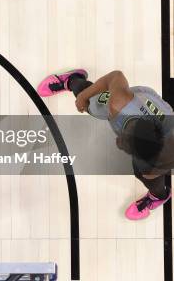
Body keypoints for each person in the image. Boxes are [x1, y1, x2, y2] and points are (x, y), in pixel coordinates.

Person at [38, 69, 174, 220]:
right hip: (140, 98)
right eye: (123, 142)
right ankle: (72, 80)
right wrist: (83, 96)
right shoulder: (119, 102)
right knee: (90, 101)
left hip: (160, 131)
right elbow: (116, 76)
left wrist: (150, 171)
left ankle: (159, 196)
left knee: (144, 174)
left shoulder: (167, 151)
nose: (117, 143)